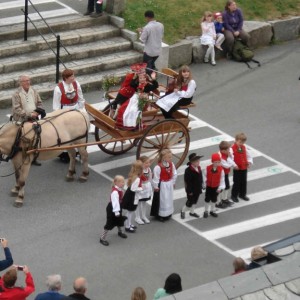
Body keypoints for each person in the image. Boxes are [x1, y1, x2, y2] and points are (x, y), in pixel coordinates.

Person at [11, 74, 46, 166]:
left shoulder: (33, 90)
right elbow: (17, 109)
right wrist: (30, 114)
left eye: (29, 80)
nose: (28, 82)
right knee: (21, 139)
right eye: (25, 81)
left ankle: (33, 157)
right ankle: (19, 156)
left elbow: (40, 103)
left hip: (34, 118)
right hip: (21, 119)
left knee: (35, 138)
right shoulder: (16, 94)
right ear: (21, 83)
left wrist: (38, 111)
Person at [53, 69, 85, 163]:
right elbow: (56, 104)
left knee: (78, 132)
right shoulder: (58, 88)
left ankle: (78, 151)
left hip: (75, 109)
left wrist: (81, 110)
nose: (73, 78)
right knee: (67, 133)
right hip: (65, 111)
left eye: (73, 76)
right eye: (71, 76)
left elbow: (80, 97)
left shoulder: (76, 84)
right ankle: (65, 153)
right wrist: (59, 115)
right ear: (66, 78)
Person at [99, 175, 127, 246]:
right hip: (112, 208)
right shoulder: (115, 192)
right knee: (109, 223)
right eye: (121, 182)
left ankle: (120, 232)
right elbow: (115, 202)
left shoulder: (120, 190)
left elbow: (120, 200)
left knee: (119, 220)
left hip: (118, 207)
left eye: (123, 182)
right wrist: (117, 211)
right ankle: (102, 238)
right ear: (116, 183)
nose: (123, 183)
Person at [150, 149, 178, 222]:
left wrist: (173, 182)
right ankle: (161, 214)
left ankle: (168, 213)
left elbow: (174, 173)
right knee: (163, 200)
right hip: (162, 185)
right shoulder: (158, 167)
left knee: (169, 198)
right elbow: (156, 178)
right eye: (169, 157)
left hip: (169, 183)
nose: (171, 159)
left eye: (171, 157)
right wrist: (156, 187)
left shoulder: (171, 164)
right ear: (163, 158)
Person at [231, 133, 253, 203]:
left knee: (243, 182)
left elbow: (249, 156)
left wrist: (249, 162)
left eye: (243, 142)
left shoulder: (244, 147)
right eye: (240, 142)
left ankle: (242, 194)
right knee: (236, 182)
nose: (241, 143)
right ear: (236, 140)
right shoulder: (232, 149)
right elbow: (230, 159)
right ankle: (234, 195)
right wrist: (234, 165)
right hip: (237, 168)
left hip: (244, 167)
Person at [180, 153, 204, 219]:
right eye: (197, 161)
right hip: (191, 190)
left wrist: (202, 184)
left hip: (197, 188)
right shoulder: (188, 171)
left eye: (199, 160)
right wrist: (189, 191)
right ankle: (183, 211)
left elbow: (200, 177)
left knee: (195, 201)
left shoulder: (198, 168)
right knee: (190, 202)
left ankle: (192, 212)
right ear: (192, 162)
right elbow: (188, 182)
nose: (198, 162)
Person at [122, 161, 144, 232]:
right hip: (132, 197)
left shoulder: (132, 175)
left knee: (129, 212)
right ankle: (128, 226)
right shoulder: (137, 178)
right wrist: (141, 188)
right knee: (130, 212)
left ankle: (128, 224)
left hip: (129, 195)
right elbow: (133, 189)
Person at [215, 141, 238, 209]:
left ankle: (224, 199)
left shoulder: (228, 151)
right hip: (220, 174)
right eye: (227, 149)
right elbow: (226, 166)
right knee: (220, 188)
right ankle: (218, 202)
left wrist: (231, 156)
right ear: (222, 150)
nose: (229, 150)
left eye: (229, 149)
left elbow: (232, 158)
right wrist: (233, 164)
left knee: (227, 186)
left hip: (225, 173)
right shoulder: (220, 157)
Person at [203, 153, 225, 218]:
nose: (217, 164)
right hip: (209, 187)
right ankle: (206, 211)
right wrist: (204, 184)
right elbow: (204, 177)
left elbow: (222, 180)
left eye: (218, 162)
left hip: (215, 187)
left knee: (214, 199)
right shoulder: (207, 168)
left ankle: (212, 210)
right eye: (215, 162)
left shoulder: (221, 170)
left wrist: (220, 188)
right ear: (212, 162)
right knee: (207, 199)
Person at [135, 156, 152, 225]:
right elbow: (136, 180)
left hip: (147, 187)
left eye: (148, 163)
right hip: (140, 188)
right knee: (138, 203)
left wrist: (151, 186)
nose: (148, 164)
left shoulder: (149, 169)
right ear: (141, 163)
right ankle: (137, 217)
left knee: (144, 202)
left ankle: (143, 216)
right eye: (146, 163)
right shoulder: (139, 171)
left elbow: (150, 178)